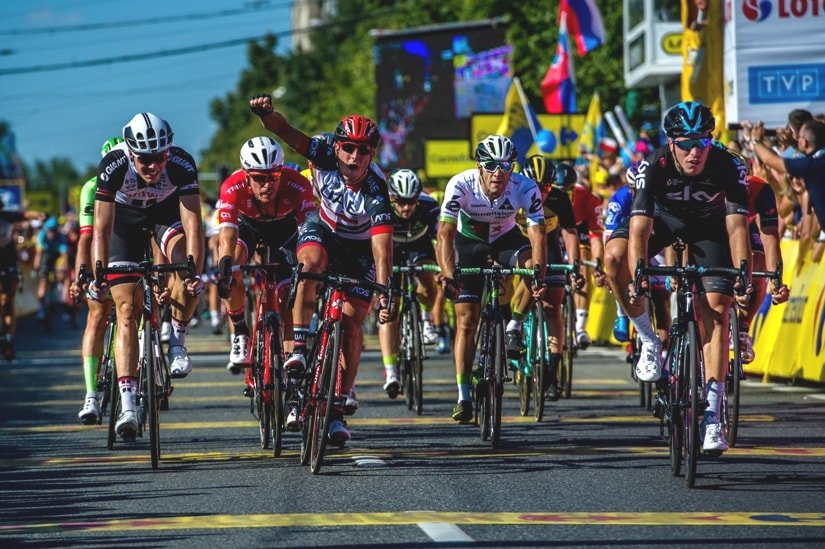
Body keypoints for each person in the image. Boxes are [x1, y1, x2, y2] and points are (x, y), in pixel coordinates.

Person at [604, 101, 751, 453]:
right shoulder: (654, 165)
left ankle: (713, 414)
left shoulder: (727, 164)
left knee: (715, 312)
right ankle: (649, 341)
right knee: (614, 259)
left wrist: (742, 271)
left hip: (709, 229)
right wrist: (639, 274)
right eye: (685, 143)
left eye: (702, 141)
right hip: (662, 222)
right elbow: (639, 231)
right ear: (670, 143)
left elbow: (736, 228)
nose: (694, 151)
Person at [249, 93, 394, 445]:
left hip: (360, 247)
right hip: (324, 231)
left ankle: (338, 407)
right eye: (348, 148)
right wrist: (267, 115)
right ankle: (298, 346)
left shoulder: (377, 190)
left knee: (351, 323)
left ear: (371, 154)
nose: (353, 157)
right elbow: (287, 132)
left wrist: (385, 290)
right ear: (338, 146)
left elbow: (381, 248)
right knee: (309, 265)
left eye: (362, 151)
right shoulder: (324, 151)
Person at [92, 112, 205, 441]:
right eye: (145, 159)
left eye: (159, 157)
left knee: (184, 265)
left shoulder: (182, 164)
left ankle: (178, 342)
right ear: (130, 153)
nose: (154, 166)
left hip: (164, 216)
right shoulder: (113, 166)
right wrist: (100, 271)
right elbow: (101, 228)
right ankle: (127, 403)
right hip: (124, 223)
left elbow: (193, 223)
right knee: (126, 309)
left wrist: (194, 270)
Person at [436, 135, 547, 423]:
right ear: (479, 166)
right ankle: (463, 396)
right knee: (466, 321)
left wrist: (540, 275)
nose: (498, 173)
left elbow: (537, 233)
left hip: (505, 240)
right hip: (468, 244)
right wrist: (448, 274)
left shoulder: (525, 186)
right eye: (491, 165)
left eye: (506, 166)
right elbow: (445, 234)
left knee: (531, 267)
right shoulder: (460, 184)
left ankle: (514, 325)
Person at [213, 137, 315, 388]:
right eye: (259, 177)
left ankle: (292, 378)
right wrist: (225, 264)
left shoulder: (299, 185)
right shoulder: (232, 187)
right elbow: (227, 237)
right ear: (246, 174)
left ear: (282, 172)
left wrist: (304, 266)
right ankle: (239, 330)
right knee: (231, 265)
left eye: (273, 176)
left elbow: (310, 236)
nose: (267, 184)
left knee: (288, 298)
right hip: (250, 228)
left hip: (287, 231)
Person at [511, 155, 583, 400]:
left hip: (548, 246)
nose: (541, 192)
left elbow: (570, 233)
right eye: (536, 186)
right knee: (506, 292)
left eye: (546, 187)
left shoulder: (559, 198)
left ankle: (551, 372)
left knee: (553, 305)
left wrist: (575, 266)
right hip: (516, 244)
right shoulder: (512, 193)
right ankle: (508, 334)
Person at [70, 137, 122, 424]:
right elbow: (87, 236)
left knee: (138, 311)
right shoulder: (92, 188)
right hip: (101, 251)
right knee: (97, 315)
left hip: (131, 248)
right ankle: (91, 395)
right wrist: (83, 275)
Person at [378, 168, 440, 398]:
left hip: (419, 246)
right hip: (389, 249)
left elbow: (442, 238)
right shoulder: (381, 205)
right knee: (388, 308)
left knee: (427, 278)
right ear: (392, 198)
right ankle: (391, 371)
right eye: (401, 202)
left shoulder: (429, 206)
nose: (406, 208)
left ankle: (426, 321)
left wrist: (445, 267)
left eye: (411, 202)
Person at [744, 118, 825, 231]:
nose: (796, 138)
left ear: (805, 142)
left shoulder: (813, 165)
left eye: (799, 137)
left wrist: (756, 140)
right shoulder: (817, 160)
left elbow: (770, 160)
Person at [565, 162, 605, 348]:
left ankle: (580, 327)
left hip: (578, 229)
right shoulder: (543, 196)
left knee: (583, 264)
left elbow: (596, 238)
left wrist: (598, 265)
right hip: (552, 228)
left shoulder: (588, 199)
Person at [0, 200, 43, 360]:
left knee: (7, 299)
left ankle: (8, 337)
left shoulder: (7, 216)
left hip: (8, 263)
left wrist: (39, 215)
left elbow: (25, 215)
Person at [33, 216, 69, 323]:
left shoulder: (61, 236)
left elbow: (64, 254)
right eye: (49, 230)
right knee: (43, 282)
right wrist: (36, 265)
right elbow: (39, 254)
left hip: (57, 256)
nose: (51, 233)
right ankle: (41, 308)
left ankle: (59, 293)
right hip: (46, 256)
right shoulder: (42, 235)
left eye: (53, 231)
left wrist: (64, 268)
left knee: (61, 272)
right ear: (46, 229)